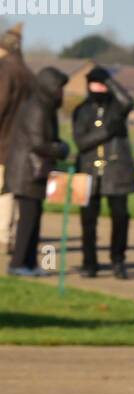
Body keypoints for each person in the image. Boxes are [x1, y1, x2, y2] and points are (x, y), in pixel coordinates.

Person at [73, 64, 134, 278]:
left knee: (120, 217)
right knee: (88, 221)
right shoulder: (81, 111)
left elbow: (129, 101)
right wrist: (107, 131)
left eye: (103, 84)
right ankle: (89, 263)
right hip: (89, 171)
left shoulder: (117, 107)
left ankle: (118, 259)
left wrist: (110, 80)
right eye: (95, 83)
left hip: (117, 172)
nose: (99, 88)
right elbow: (81, 142)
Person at [4, 66, 67, 277]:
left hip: (36, 171)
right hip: (27, 172)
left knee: (35, 217)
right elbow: (38, 142)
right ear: (49, 87)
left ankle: (30, 262)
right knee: (27, 220)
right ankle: (17, 263)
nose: (61, 93)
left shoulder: (45, 107)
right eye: (59, 88)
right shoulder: (37, 108)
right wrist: (60, 148)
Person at [0, 22, 34, 257]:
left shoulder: (5, 71)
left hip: (2, 142)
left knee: (3, 192)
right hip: (22, 145)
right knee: (14, 192)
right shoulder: (30, 75)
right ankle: (13, 236)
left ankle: (2, 236)